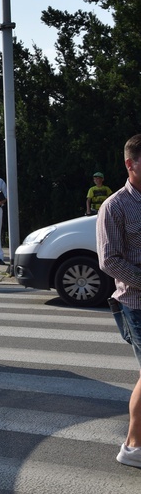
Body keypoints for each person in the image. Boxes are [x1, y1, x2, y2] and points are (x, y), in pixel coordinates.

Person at [97, 134, 141, 468]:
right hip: (136, 304)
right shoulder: (114, 206)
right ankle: (132, 447)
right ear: (131, 164)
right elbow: (110, 261)